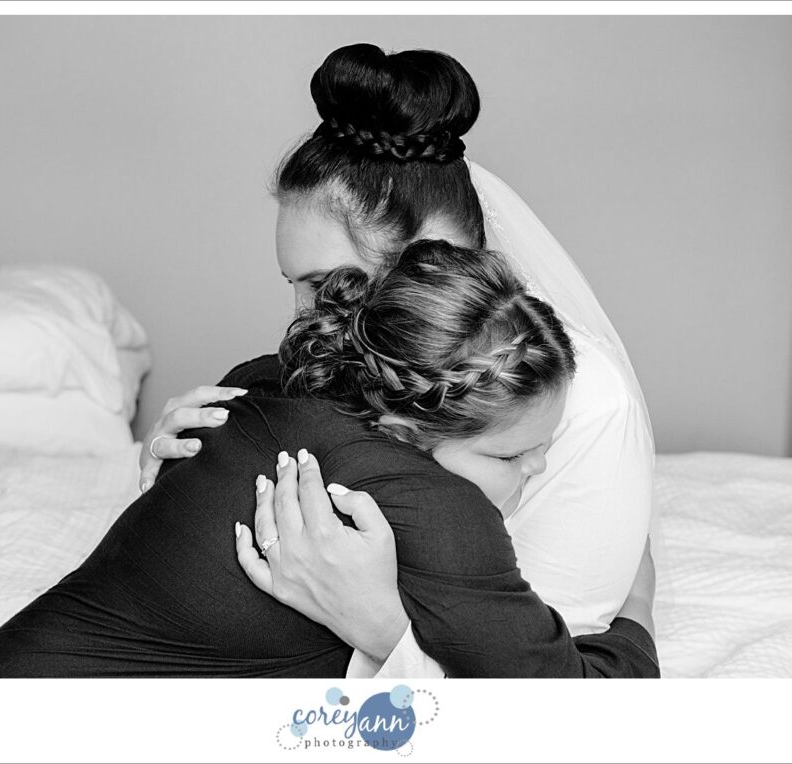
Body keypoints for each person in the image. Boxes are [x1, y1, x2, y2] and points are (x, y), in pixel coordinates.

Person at [137, 43, 655, 676]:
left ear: (431, 260)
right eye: (294, 283)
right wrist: (188, 471)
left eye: (328, 283)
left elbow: (542, 690)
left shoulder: (589, 405)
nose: (305, 318)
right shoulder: (356, 367)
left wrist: (384, 629)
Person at [0, 241, 657, 678]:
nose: (537, 472)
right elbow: (575, 717)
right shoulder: (441, 510)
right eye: (514, 453)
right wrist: (637, 608)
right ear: (406, 428)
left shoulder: (267, 383)